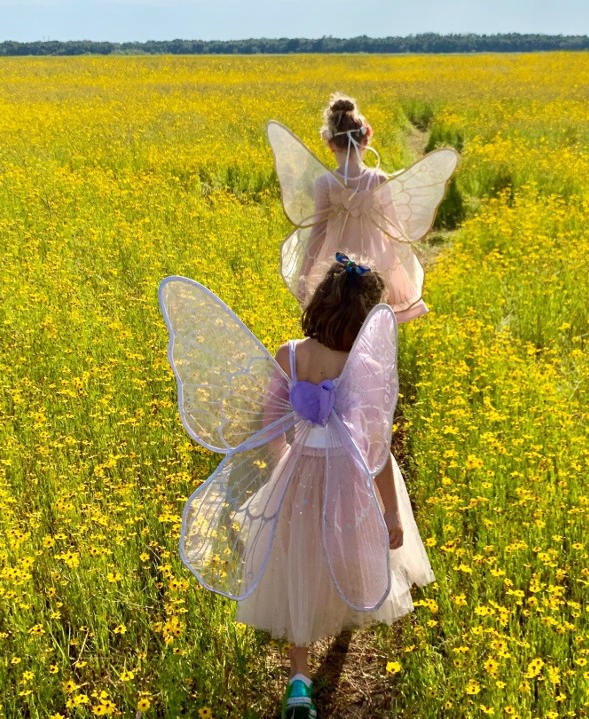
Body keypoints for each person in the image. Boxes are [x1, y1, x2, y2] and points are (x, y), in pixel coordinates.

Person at [158, 256, 434, 719]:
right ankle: (348, 614)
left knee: (298, 567)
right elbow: (376, 446)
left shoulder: (291, 354)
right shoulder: (362, 363)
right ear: (368, 319)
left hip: (300, 472)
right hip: (349, 477)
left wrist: (282, 466)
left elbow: (270, 424)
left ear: (319, 303)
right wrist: (389, 511)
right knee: (349, 547)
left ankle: (299, 682)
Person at [268, 94, 459, 324]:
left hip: (335, 264)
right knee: (374, 317)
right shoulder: (378, 180)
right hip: (376, 261)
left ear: (330, 144)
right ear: (365, 140)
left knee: (339, 320)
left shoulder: (324, 183)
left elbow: (317, 233)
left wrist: (306, 275)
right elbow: (394, 229)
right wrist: (406, 268)